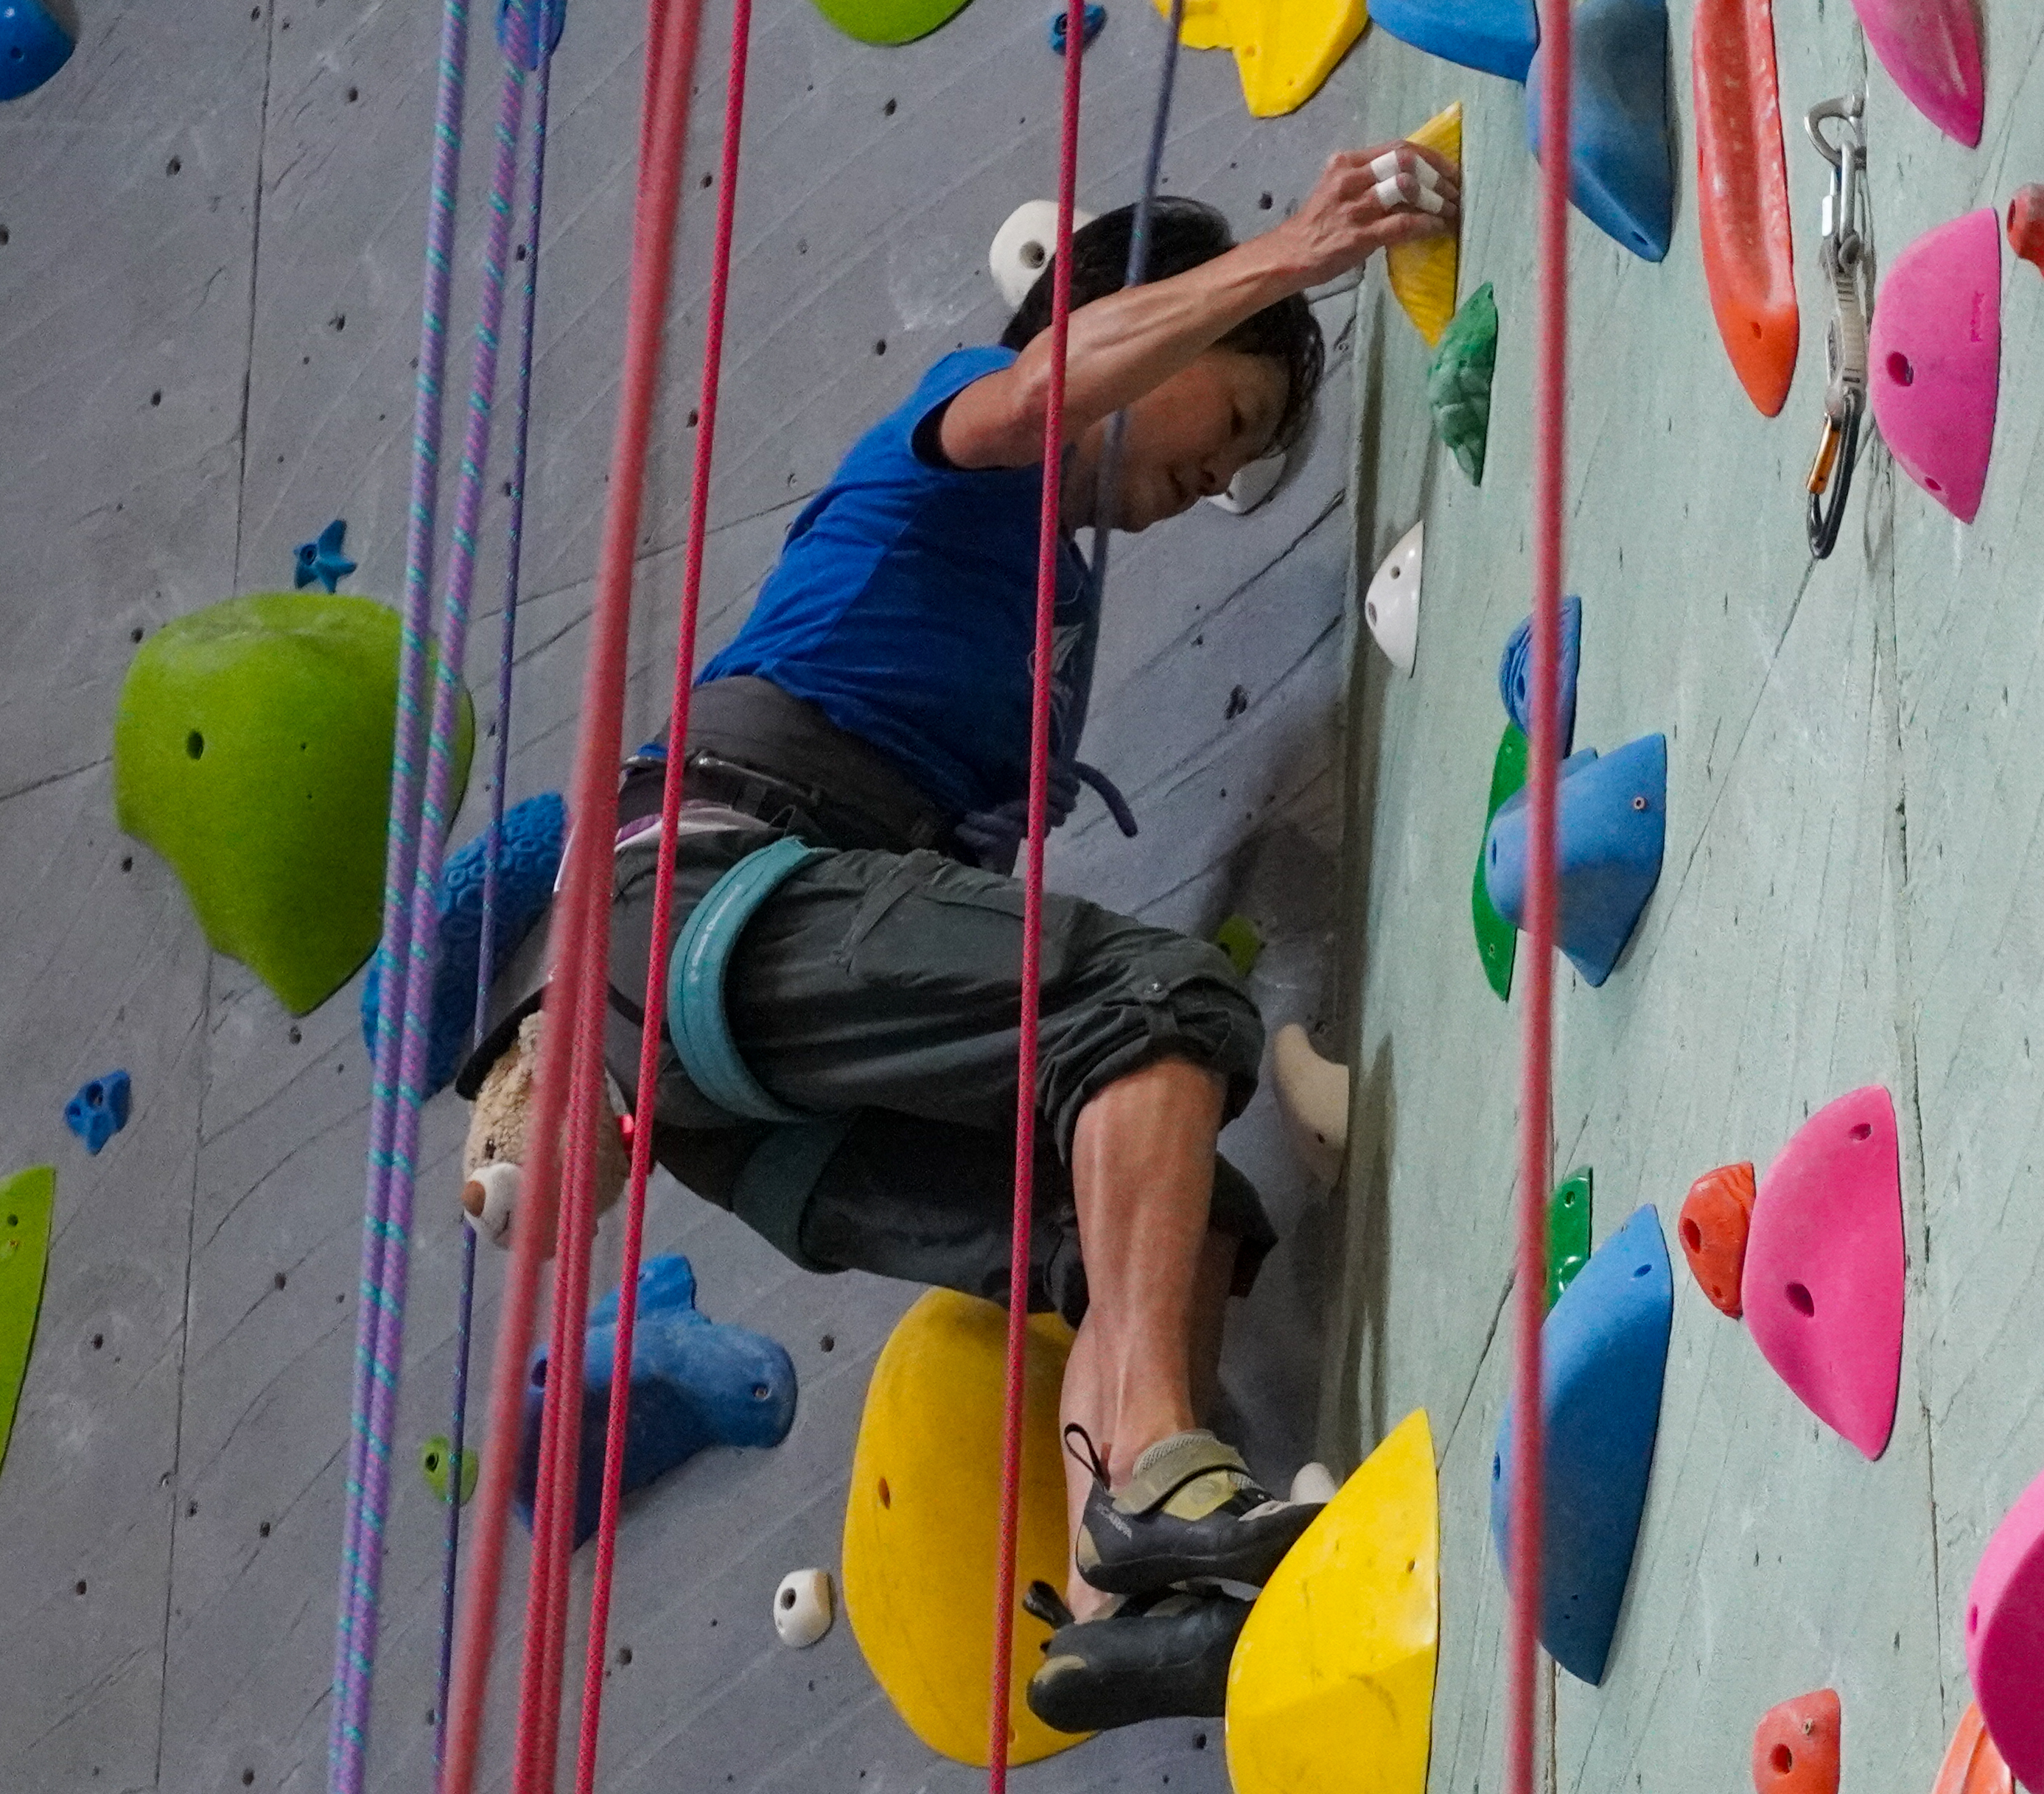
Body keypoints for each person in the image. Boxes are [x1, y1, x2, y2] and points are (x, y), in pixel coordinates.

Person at [595, 139, 1458, 1731]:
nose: (1225, 478)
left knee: (1171, 1222)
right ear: (1156, 328)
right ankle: (1156, 1480)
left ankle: (1122, 1599)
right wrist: (1289, 253)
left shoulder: (1037, 603)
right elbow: (1038, 386)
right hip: (710, 897)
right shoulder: (953, 446)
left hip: (761, 1074)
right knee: (1157, 1007)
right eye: (1238, 419)